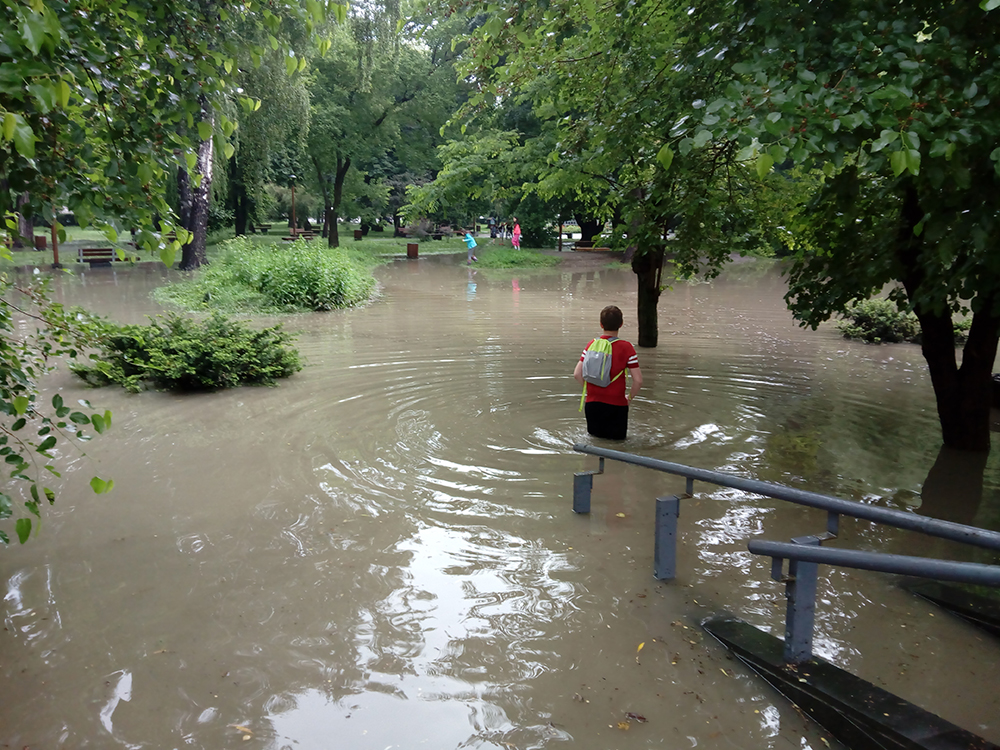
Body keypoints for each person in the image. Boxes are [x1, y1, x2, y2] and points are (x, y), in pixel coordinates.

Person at [573, 305, 642, 439]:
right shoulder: (626, 347)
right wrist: (630, 398)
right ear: (621, 324)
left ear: (601, 324)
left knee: (595, 445)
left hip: (592, 404)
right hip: (616, 405)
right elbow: (638, 381)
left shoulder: (591, 344)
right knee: (617, 447)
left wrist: (590, 391)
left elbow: (577, 374)